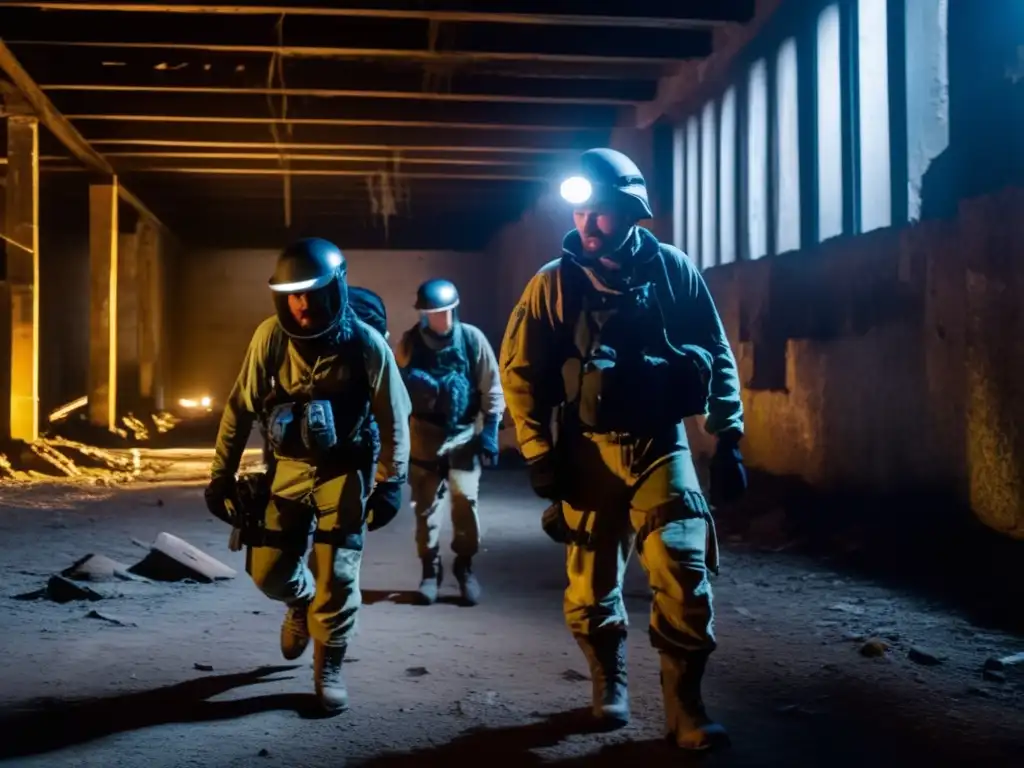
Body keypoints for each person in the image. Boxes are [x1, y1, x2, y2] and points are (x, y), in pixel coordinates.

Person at [499, 148, 748, 752]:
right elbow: (519, 371)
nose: (587, 225)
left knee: (685, 570)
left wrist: (729, 437)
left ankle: (685, 705)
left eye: (601, 213)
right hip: (586, 451)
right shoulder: (552, 284)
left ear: (632, 210)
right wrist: (537, 453)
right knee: (588, 587)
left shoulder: (672, 270)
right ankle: (607, 682)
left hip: (662, 444)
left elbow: (714, 351)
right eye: (580, 214)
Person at [204, 238, 411, 714]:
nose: (301, 304)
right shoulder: (270, 338)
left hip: (346, 470)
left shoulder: (365, 343)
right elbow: (239, 408)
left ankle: (329, 664)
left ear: (334, 289)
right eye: (291, 293)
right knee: (269, 572)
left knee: (338, 575)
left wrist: (391, 481)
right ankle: (299, 603)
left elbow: (394, 415)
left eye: (311, 292)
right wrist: (221, 476)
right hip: (288, 469)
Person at [395, 279, 505, 606]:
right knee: (426, 512)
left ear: (452, 310)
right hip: (424, 439)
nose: (437, 319)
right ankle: (430, 570)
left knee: (465, 506)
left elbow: (491, 386)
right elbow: (394, 390)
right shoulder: (409, 344)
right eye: (430, 314)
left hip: (463, 437)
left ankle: (465, 565)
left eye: (442, 313)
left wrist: (491, 431)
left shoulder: (471, 340)